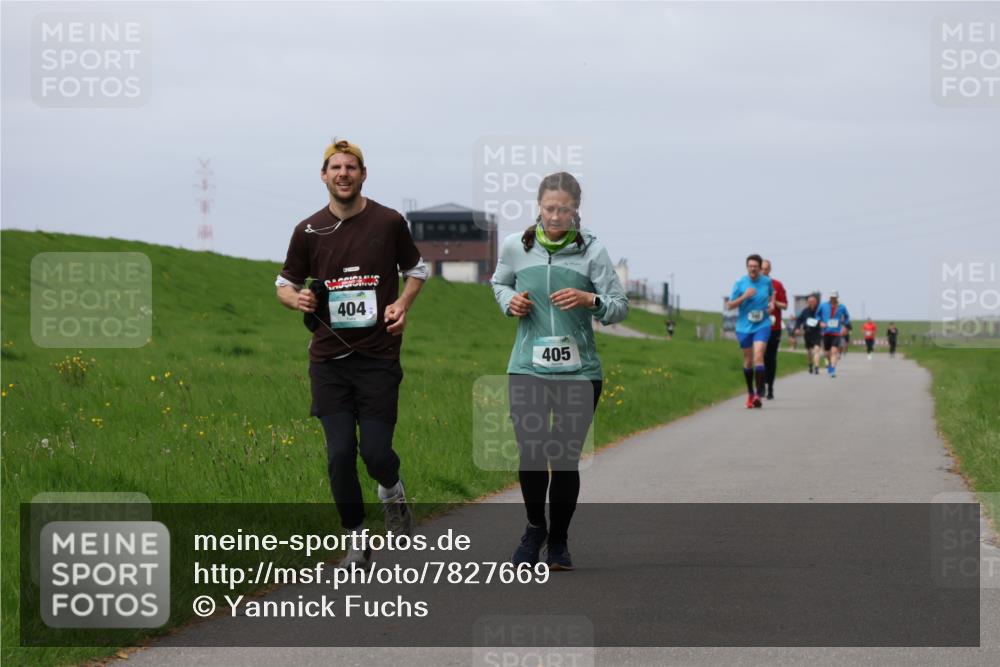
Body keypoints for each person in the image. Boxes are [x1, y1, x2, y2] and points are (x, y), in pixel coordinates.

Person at [276, 139, 429, 568]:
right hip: (328, 362)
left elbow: (416, 271)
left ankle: (392, 492)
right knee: (340, 453)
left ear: (363, 175)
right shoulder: (307, 230)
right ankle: (356, 538)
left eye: (352, 167)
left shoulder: (388, 222)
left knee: (376, 454)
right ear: (323, 176)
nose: (343, 174)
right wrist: (297, 301)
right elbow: (284, 284)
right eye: (335, 167)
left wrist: (402, 304)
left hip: (378, 357)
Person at [491, 172, 628, 571]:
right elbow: (498, 282)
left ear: (575, 211)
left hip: (579, 371)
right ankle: (534, 529)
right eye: (549, 208)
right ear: (538, 206)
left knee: (564, 458)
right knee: (532, 452)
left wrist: (591, 298)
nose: (555, 216)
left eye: (563, 210)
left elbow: (619, 306)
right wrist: (509, 301)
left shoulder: (593, 252)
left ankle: (560, 540)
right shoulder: (516, 246)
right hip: (526, 367)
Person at [727, 254, 774, 408]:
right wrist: (744, 296)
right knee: (748, 360)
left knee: (759, 355)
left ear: (760, 268)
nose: (752, 268)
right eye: (750, 266)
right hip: (744, 327)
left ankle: (759, 394)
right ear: (747, 267)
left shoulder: (767, 281)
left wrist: (771, 305)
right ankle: (750, 393)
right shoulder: (740, 283)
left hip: (762, 324)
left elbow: (771, 294)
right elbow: (730, 305)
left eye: (755, 266)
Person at [761, 259, 787, 400]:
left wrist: (774, 302)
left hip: (774, 326)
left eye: (766, 269)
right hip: (758, 325)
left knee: (771, 358)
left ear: (770, 270)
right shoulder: (755, 285)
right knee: (760, 356)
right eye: (762, 269)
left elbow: (785, 305)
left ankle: (770, 386)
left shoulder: (777, 285)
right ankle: (761, 385)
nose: (764, 271)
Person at [816, 291, 850, 378]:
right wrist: (820, 322)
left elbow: (847, 317)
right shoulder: (823, 305)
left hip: (836, 332)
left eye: (834, 297)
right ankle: (830, 364)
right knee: (827, 353)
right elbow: (817, 315)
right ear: (829, 297)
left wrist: (844, 327)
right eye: (831, 297)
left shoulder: (842, 307)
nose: (833, 299)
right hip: (826, 331)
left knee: (834, 351)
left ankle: (833, 370)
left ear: (837, 297)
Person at [794, 292, 823, 374]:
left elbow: (824, 319)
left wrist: (823, 323)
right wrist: (797, 328)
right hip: (808, 332)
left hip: (817, 332)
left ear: (816, 302)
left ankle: (816, 367)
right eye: (809, 302)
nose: (811, 303)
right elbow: (799, 320)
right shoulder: (805, 311)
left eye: (813, 302)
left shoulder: (819, 311)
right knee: (809, 351)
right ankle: (810, 364)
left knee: (817, 350)